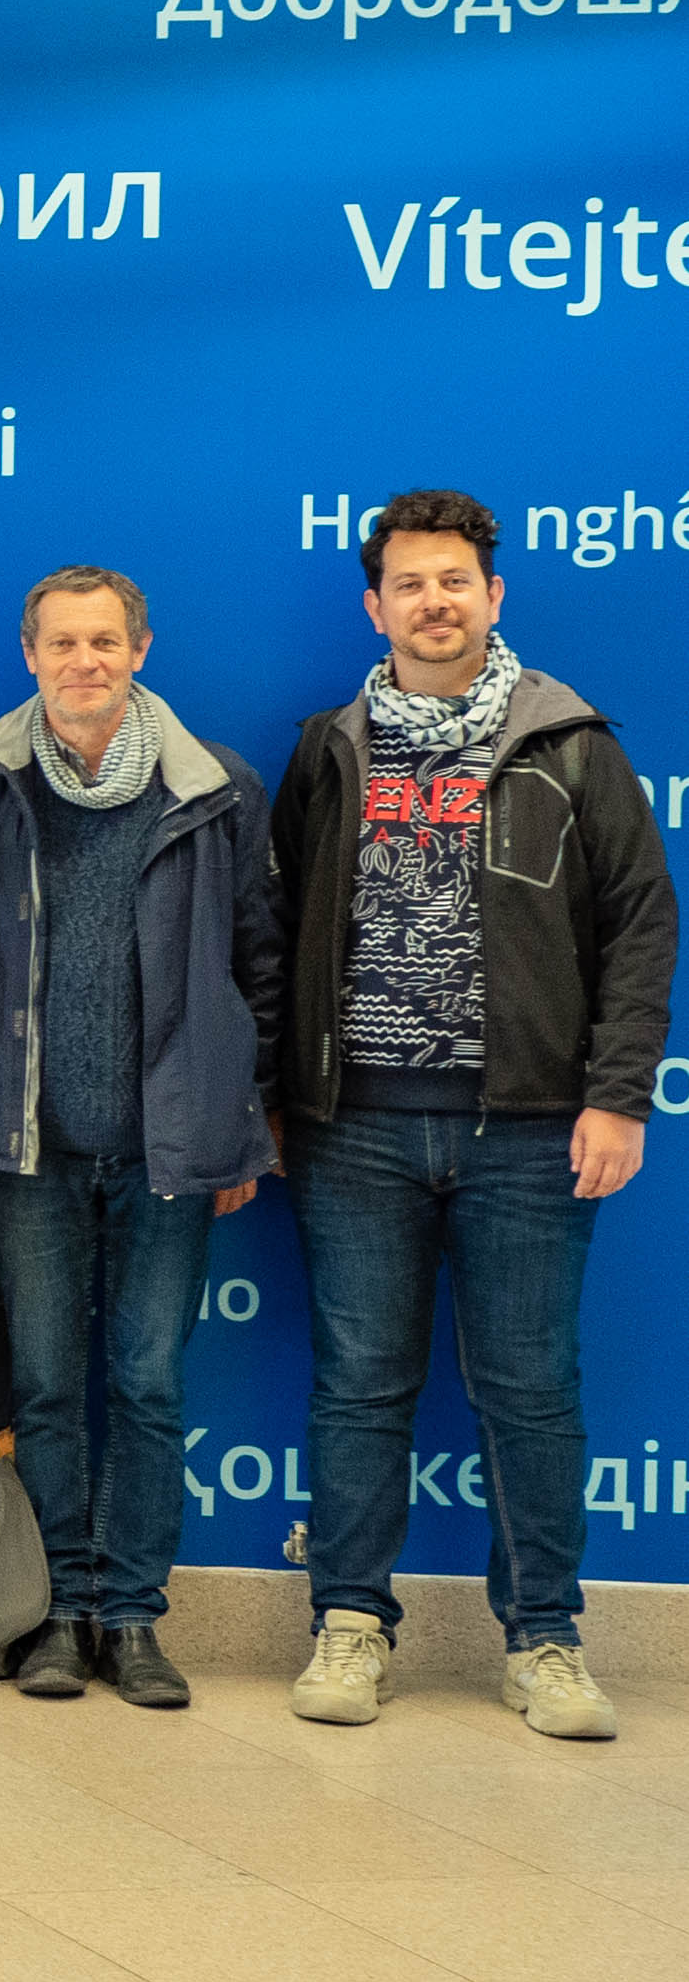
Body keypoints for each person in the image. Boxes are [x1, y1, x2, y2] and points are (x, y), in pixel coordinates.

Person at [274, 489, 673, 1743]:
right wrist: (278, 1099)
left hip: (531, 1130)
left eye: (455, 580)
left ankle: (545, 1639)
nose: (433, 601)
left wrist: (617, 1096)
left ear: (493, 596)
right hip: (354, 1129)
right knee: (359, 1385)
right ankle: (350, 1622)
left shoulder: (571, 745)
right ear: (374, 606)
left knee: (530, 1391)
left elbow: (641, 926)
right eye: (410, 583)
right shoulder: (328, 751)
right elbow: (277, 934)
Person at [0, 566, 281, 1711]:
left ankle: (131, 1619)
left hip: (171, 1149)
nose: (85, 662)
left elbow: (260, 965)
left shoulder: (216, 786)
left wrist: (242, 1123)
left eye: (105, 642)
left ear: (141, 650)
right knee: (44, 1389)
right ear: (29, 654)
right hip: (28, 1148)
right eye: (63, 643)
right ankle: (55, 1616)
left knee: (149, 1383)